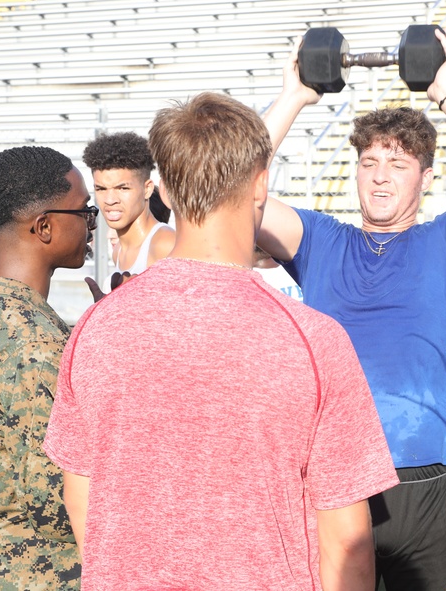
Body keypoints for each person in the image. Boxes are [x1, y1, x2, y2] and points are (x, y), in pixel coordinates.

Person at [45, 92, 399, 590]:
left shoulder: (94, 327)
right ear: (260, 186)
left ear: (163, 190)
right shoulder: (315, 341)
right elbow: (346, 541)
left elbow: (81, 495)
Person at [256, 28, 446, 590]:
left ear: (426, 179)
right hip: (336, 477)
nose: (380, 175)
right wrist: (295, 97)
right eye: (369, 161)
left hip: (429, 483)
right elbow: (224, 191)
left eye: (399, 163)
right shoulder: (319, 240)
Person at [0, 146, 91, 589]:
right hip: (39, 571)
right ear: (44, 226)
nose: (91, 223)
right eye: (84, 211)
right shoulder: (35, 340)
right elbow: (51, 500)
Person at [82, 131, 174, 293]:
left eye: (122, 188)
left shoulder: (165, 244)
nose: (110, 200)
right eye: (101, 189)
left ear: (147, 189)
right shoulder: (118, 251)